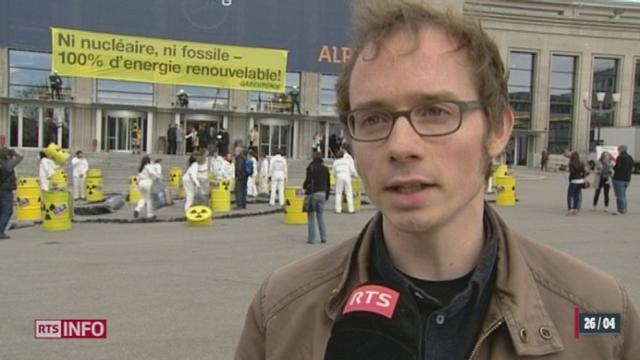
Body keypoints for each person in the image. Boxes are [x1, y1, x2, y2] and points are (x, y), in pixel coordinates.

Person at [235, 2, 639, 359]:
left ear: (498, 129)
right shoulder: (282, 312)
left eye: (435, 112)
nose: (401, 145)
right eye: (374, 118)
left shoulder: (598, 316)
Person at [303, 151, 330, 244]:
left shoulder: (311, 167)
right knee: (321, 216)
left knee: (311, 216)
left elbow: (308, 181)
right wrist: (327, 195)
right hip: (323, 193)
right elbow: (328, 183)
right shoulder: (325, 168)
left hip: (313, 193)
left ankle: (312, 239)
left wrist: (304, 187)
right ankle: (323, 237)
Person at [0, 148, 24, 239]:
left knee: (1, 211)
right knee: (7, 211)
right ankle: (0, 231)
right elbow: (20, 157)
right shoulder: (8, 165)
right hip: (5, 190)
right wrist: (14, 152)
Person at [134, 155, 161, 220]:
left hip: (141, 183)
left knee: (143, 197)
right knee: (149, 199)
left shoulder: (141, 167)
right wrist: (158, 176)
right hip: (147, 182)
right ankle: (150, 215)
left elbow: (138, 177)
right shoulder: (148, 166)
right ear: (148, 160)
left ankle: (137, 208)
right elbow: (152, 172)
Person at [332, 149, 358, 213]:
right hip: (347, 176)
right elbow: (352, 169)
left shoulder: (336, 162)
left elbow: (333, 172)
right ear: (343, 155)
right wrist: (355, 175)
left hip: (339, 177)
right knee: (349, 193)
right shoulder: (347, 161)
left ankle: (338, 209)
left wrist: (335, 176)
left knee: (338, 193)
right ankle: (351, 209)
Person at [612, 144, 634, 215]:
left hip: (619, 178)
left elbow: (617, 167)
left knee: (619, 195)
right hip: (627, 179)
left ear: (621, 150)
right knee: (623, 195)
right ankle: (624, 208)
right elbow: (631, 168)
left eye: (618, 149)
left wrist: (613, 167)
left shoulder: (620, 157)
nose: (618, 151)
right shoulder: (630, 157)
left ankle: (621, 210)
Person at [566, 151, 588, 216]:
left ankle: (570, 209)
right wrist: (582, 177)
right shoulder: (581, 163)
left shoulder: (571, 163)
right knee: (576, 195)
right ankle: (575, 209)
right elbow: (585, 172)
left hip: (574, 181)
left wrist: (570, 179)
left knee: (570, 195)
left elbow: (572, 173)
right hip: (580, 181)